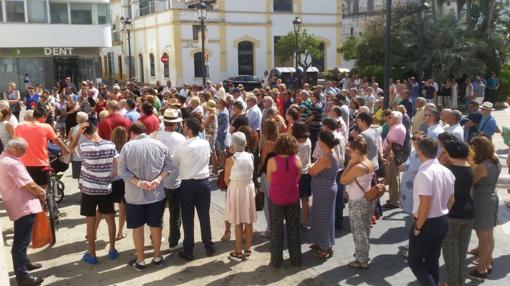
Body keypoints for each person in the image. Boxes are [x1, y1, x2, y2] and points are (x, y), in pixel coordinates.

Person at [119, 122, 171, 270]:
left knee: (138, 228)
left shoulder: (127, 147)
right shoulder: (160, 145)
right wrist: (158, 179)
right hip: (156, 193)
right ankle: (157, 257)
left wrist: (139, 183)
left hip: (135, 196)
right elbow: (169, 167)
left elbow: (122, 171)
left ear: (131, 133)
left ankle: (141, 260)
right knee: (156, 226)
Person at [408, 138, 455, 286]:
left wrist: (418, 227)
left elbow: (425, 204)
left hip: (427, 223)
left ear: (420, 152)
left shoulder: (424, 173)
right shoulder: (446, 170)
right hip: (442, 220)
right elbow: (452, 200)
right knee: (432, 260)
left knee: (414, 261)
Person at [0, 139, 45, 286]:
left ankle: (24, 263)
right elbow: (29, 184)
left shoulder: (4, 158)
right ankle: (22, 276)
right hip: (23, 205)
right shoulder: (12, 163)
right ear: (16, 148)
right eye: (23, 151)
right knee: (21, 242)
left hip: (17, 203)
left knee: (22, 240)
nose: (23, 154)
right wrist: (42, 192)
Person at [75, 123, 119, 265]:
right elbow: (117, 165)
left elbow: (70, 149)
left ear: (85, 134)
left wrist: (78, 135)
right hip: (105, 188)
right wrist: (109, 176)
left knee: (90, 221)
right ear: (97, 129)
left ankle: (92, 254)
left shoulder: (84, 147)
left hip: (89, 189)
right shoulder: (110, 145)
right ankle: (112, 249)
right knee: (110, 219)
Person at [173, 118, 215, 261]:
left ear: (189, 129)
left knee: (187, 218)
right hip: (203, 183)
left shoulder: (184, 146)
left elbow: (175, 161)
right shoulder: (204, 143)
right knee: (204, 216)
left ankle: (188, 249)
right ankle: (208, 245)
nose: (183, 128)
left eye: (184, 126)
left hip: (188, 184)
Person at [151, 109, 186, 251]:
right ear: (176, 124)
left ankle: (156, 238)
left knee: (158, 210)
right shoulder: (180, 138)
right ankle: (173, 242)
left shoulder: (155, 136)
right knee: (175, 212)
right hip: (174, 180)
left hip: (158, 178)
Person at [441, 138, 474, 286]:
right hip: (468, 213)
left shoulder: (447, 171)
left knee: (451, 256)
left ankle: (453, 283)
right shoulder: (470, 168)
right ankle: (459, 282)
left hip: (452, 215)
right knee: (461, 252)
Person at [468, 136, 501, 281]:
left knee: (483, 239)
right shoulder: (495, 159)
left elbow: (471, 182)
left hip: (482, 201)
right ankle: (487, 263)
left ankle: (481, 269)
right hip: (492, 197)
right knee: (488, 236)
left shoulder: (482, 166)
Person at [266, 133, 302, 268]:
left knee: (276, 230)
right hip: (292, 197)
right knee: (294, 230)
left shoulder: (272, 161)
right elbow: (297, 178)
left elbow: (270, 179)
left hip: (276, 197)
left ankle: (276, 261)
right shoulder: (297, 159)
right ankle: (296, 260)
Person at [341, 136, 375, 269]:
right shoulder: (369, 162)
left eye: (351, 151)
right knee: (365, 228)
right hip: (367, 199)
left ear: (357, 151)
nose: (349, 154)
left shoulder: (357, 167)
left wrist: (349, 164)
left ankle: (361, 260)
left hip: (357, 201)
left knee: (358, 230)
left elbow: (343, 180)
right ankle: (364, 254)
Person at [14, 108, 69, 188]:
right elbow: (57, 141)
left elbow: (15, 142)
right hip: (41, 164)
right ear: (42, 117)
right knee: (42, 190)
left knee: (27, 190)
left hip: (23, 164)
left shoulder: (19, 126)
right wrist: (66, 150)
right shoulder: (46, 127)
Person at [223, 132, 257, 259]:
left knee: (238, 222)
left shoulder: (230, 160)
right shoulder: (250, 156)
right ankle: (248, 249)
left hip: (236, 189)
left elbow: (226, 180)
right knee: (248, 221)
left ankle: (238, 251)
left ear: (233, 144)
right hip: (248, 188)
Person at [309, 130, 340, 258]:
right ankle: (319, 241)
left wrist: (313, 165)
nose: (317, 141)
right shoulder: (331, 153)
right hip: (325, 189)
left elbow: (312, 171)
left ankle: (326, 247)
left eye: (319, 139)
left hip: (324, 191)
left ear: (323, 142)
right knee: (319, 216)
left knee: (324, 218)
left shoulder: (326, 158)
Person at [258, 120, 279, 239]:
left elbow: (263, 160)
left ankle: (270, 229)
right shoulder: (279, 140)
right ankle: (274, 228)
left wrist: (258, 171)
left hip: (267, 174)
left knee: (268, 202)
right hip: (277, 174)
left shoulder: (268, 143)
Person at [382, 111, 406, 209]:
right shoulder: (397, 127)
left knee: (392, 178)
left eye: (390, 117)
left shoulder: (397, 128)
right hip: (393, 155)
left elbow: (391, 144)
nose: (388, 118)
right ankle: (394, 199)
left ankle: (394, 201)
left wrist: (384, 154)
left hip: (391, 156)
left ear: (396, 119)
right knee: (393, 177)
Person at [292, 122, 312, 229]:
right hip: (306, 172)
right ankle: (305, 221)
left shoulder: (295, 143)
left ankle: (295, 219)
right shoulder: (308, 141)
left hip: (296, 173)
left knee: (295, 199)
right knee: (305, 199)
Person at [110, 127, 129, 241]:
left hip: (111, 180)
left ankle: (94, 230)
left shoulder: (109, 146)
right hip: (122, 180)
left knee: (106, 207)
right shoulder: (127, 147)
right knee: (122, 207)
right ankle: (120, 232)